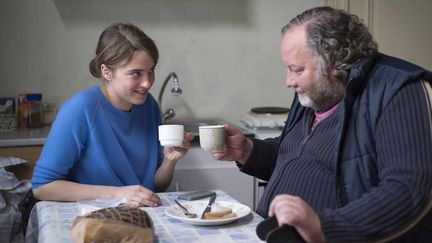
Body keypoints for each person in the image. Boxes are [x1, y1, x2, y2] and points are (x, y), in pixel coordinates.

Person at [211, 6, 432, 242]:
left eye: (296, 69)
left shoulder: (398, 89)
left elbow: (409, 189)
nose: (288, 81)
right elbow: (297, 156)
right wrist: (247, 151)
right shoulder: (316, 94)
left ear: (335, 63)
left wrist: (322, 226)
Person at [31, 23, 194, 207]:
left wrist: (169, 161)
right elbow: (42, 187)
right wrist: (120, 193)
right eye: (136, 74)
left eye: (151, 71)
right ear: (107, 72)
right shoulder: (80, 109)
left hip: (141, 215)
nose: (147, 83)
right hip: (93, 219)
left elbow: (157, 186)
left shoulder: (149, 106)